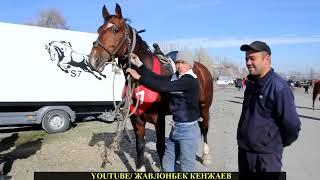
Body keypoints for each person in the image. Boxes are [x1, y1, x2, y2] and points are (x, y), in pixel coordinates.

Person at [126, 50, 200, 172]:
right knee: (167, 160)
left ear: (190, 65)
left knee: (187, 165)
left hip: (188, 131)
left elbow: (163, 87)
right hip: (175, 128)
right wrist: (140, 65)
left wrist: (139, 77)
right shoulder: (176, 77)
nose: (179, 65)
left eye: (183, 62)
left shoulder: (190, 81)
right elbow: (157, 79)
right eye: (177, 62)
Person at [237, 41, 301, 174]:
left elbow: (292, 126)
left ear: (267, 60)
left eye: (252, 58)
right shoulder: (251, 84)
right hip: (244, 153)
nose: (248, 62)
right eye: (246, 59)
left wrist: (272, 143)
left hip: (266, 159)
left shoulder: (279, 87)